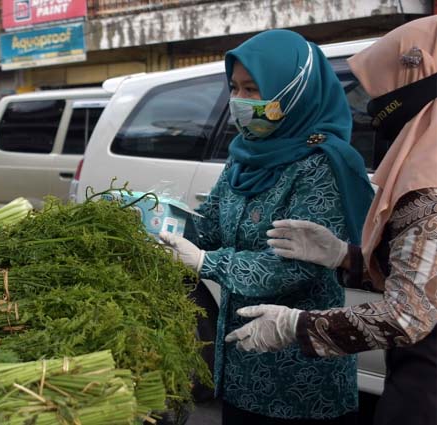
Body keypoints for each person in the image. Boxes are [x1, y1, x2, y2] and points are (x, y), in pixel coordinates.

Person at [224, 16, 437, 425]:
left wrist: (296, 325)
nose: (373, 110)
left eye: (383, 95)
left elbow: (409, 315)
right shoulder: (241, 156)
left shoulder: (426, 185)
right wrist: (347, 257)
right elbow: (424, 278)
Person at [159, 29, 374, 424]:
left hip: (300, 372)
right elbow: (212, 229)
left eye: (252, 89)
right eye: (234, 88)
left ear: (292, 91)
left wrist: (207, 262)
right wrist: (163, 224)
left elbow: (294, 266)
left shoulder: (324, 164)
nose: (239, 102)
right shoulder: (244, 156)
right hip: (241, 362)